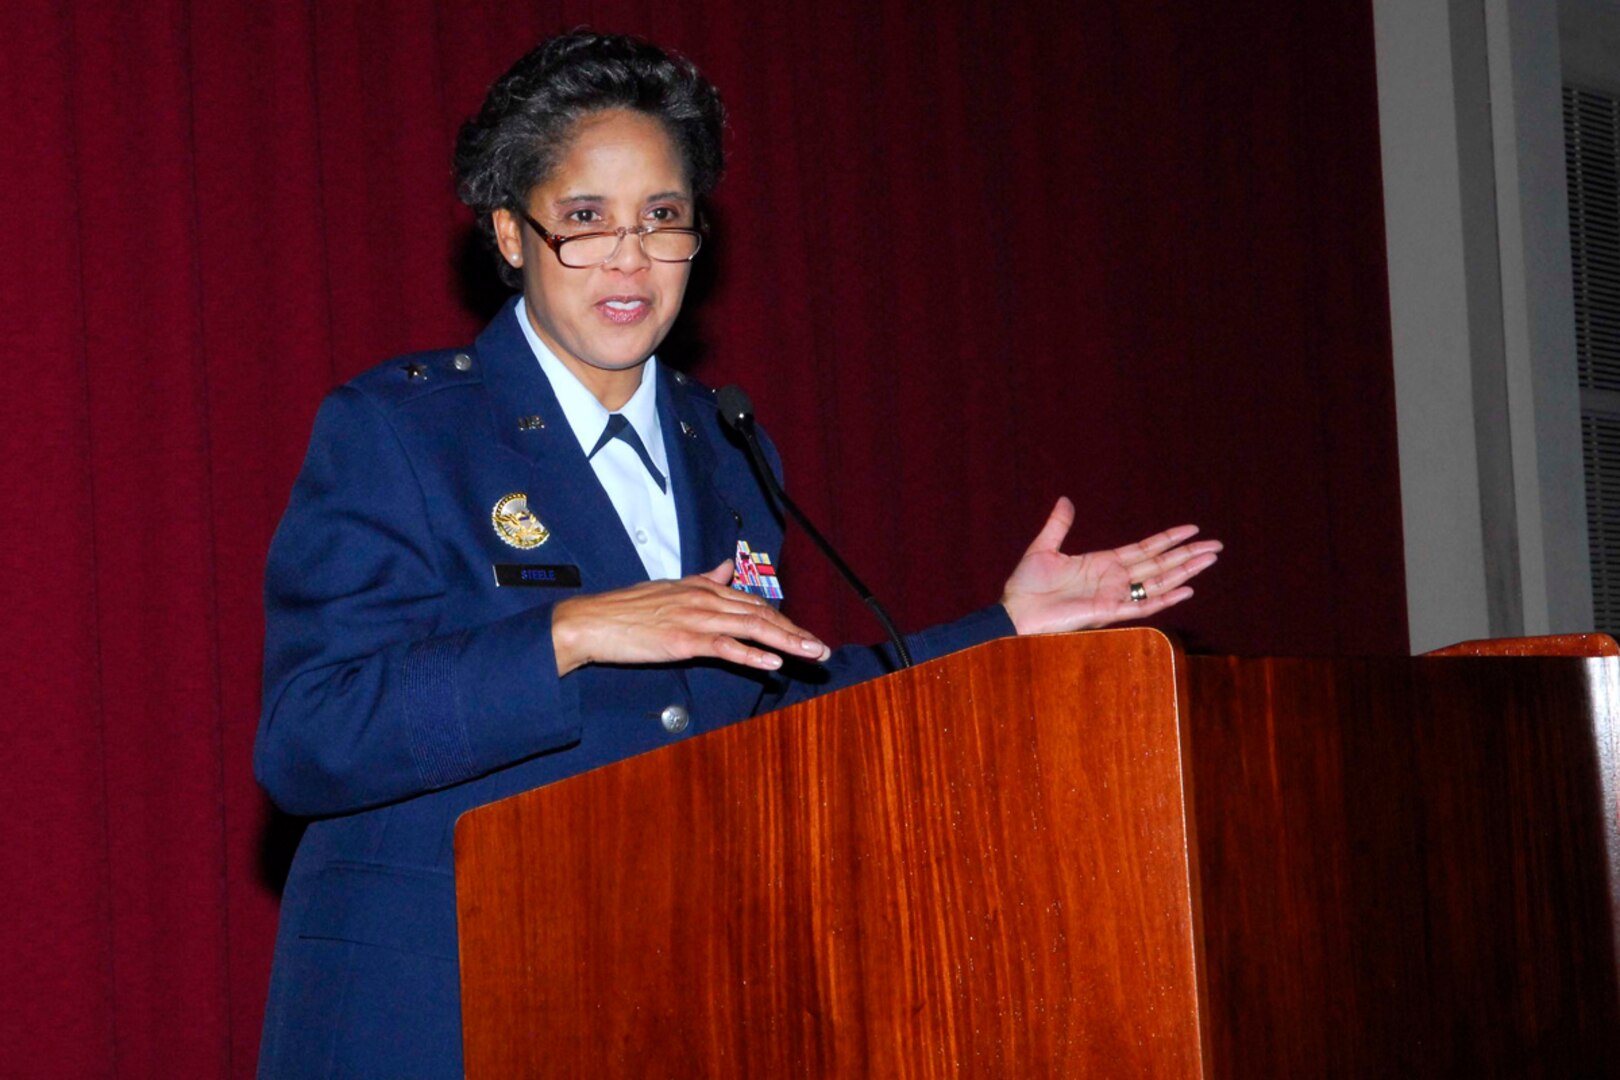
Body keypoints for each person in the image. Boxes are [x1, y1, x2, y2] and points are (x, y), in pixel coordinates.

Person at [254, 30, 1221, 1077]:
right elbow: (311, 738)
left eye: (662, 220)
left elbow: (775, 707)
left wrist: (1008, 626)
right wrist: (572, 631)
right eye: (585, 221)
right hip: (437, 1009)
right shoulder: (404, 431)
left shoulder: (723, 446)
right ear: (510, 235)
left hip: (666, 1000)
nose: (630, 257)